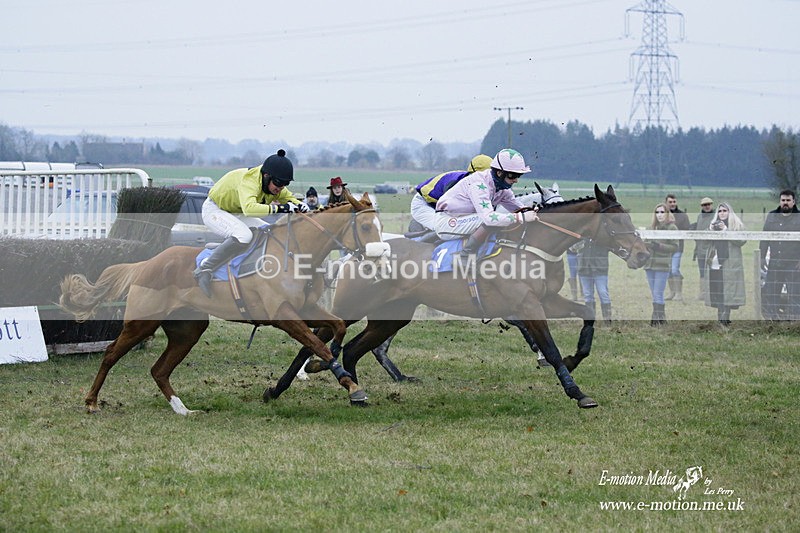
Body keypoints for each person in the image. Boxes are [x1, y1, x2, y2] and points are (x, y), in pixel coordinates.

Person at [192, 149, 308, 297]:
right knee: (244, 235)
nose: (280, 188)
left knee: (268, 231)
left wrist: (301, 205)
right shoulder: (250, 181)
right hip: (215, 210)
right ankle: (204, 269)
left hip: (235, 212)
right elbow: (249, 209)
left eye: (285, 184)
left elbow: (289, 199)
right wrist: (281, 208)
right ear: (266, 176)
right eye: (278, 183)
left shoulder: (274, 186)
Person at [434, 148, 538, 255]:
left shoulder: (502, 188)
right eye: (513, 175)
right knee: (491, 219)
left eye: (518, 176)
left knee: (500, 218)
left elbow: (519, 209)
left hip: (465, 219)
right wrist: (520, 217)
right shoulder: (479, 184)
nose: (516, 180)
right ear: (499, 173)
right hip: (447, 222)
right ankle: (465, 255)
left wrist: (533, 212)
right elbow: (489, 219)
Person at [410, 154, 492, 232]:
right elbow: (450, 210)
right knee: (444, 227)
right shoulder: (455, 184)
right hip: (423, 203)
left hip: (436, 204)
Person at [703, 202, 746, 326]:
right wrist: (710, 230)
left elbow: (742, 241)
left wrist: (726, 230)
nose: (722, 213)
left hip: (730, 265)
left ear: (729, 212)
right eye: (720, 211)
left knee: (727, 293)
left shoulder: (736, 225)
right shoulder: (713, 225)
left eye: (725, 211)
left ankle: (724, 321)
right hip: (714, 264)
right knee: (717, 292)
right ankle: (720, 322)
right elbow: (704, 243)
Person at [759, 189, 800, 320]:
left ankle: (794, 322)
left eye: (788, 200)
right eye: (783, 200)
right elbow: (765, 237)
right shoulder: (772, 216)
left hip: (794, 263)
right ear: (780, 201)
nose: (785, 203)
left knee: (794, 293)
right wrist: (762, 256)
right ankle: (772, 321)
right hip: (775, 261)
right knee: (772, 292)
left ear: (794, 202)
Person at [643, 203, 679, 326]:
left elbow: (675, 247)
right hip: (649, 265)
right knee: (654, 293)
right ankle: (661, 320)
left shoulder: (672, 228)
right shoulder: (651, 228)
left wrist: (658, 246)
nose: (659, 215)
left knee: (658, 293)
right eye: (657, 212)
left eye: (662, 212)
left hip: (662, 264)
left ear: (667, 213)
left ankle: (656, 320)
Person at [576, 240, 612, 322]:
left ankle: (607, 320)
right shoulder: (582, 234)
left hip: (600, 267)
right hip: (584, 267)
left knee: (603, 293)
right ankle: (590, 319)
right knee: (587, 294)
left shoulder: (602, 235)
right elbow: (573, 248)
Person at [665, 194, 690, 301]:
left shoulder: (682, 215)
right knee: (668, 270)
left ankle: (679, 293)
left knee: (675, 269)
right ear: (666, 202)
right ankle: (672, 292)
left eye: (674, 202)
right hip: (665, 247)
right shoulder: (662, 214)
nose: (672, 204)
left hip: (677, 247)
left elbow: (686, 230)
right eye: (670, 202)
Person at [691, 197, 716, 300]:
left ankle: (711, 293)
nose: (707, 206)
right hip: (700, 250)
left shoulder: (715, 217)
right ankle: (703, 293)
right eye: (704, 205)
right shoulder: (699, 217)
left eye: (709, 204)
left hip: (710, 250)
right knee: (702, 272)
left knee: (711, 272)